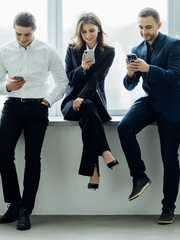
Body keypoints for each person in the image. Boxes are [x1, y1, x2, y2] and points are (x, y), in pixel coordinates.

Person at [0, 12, 68, 231]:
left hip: (38, 107)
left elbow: (62, 82)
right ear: (13, 29)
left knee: (32, 158)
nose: (22, 39)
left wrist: (47, 101)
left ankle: (26, 210)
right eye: (18, 34)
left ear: (34, 30)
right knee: (4, 155)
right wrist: (8, 87)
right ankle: (14, 203)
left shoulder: (48, 50)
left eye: (26, 34)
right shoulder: (4, 51)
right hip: (12, 106)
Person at [117, 7, 180, 224]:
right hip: (151, 100)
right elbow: (130, 86)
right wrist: (130, 73)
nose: (144, 32)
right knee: (124, 128)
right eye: (140, 27)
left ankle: (168, 208)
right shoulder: (137, 48)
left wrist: (149, 68)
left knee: (169, 158)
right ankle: (139, 176)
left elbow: (175, 77)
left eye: (148, 27)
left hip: (173, 104)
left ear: (159, 25)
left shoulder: (173, 44)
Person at [61, 12, 118, 190]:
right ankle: (105, 151)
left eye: (91, 30)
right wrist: (82, 68)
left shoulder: (108, 52)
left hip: (94, 104)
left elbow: (98, 79)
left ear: (99, 30)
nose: (88, 35)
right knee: (86, 109)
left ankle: (94, 172)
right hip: (71, 103)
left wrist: (82, 97)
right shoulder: (72, 49)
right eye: (84, 31)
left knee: (87, 113)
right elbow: (69, 78)